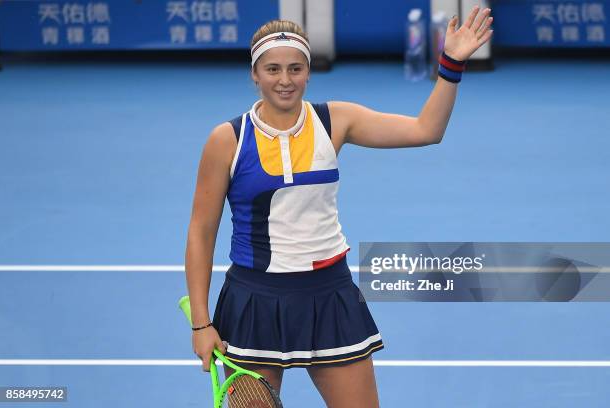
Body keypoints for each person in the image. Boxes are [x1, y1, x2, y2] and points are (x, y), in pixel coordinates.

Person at [185, 7, 493, 407]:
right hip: (254, 302)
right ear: (254, 75)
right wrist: (201, 322)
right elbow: (201, 231)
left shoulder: (336, 121)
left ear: (308, 72)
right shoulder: (227, 140)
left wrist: (451, 64)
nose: (285, 80)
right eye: (273, 69)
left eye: (295, 69)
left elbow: (426, 130)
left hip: (328, 296)